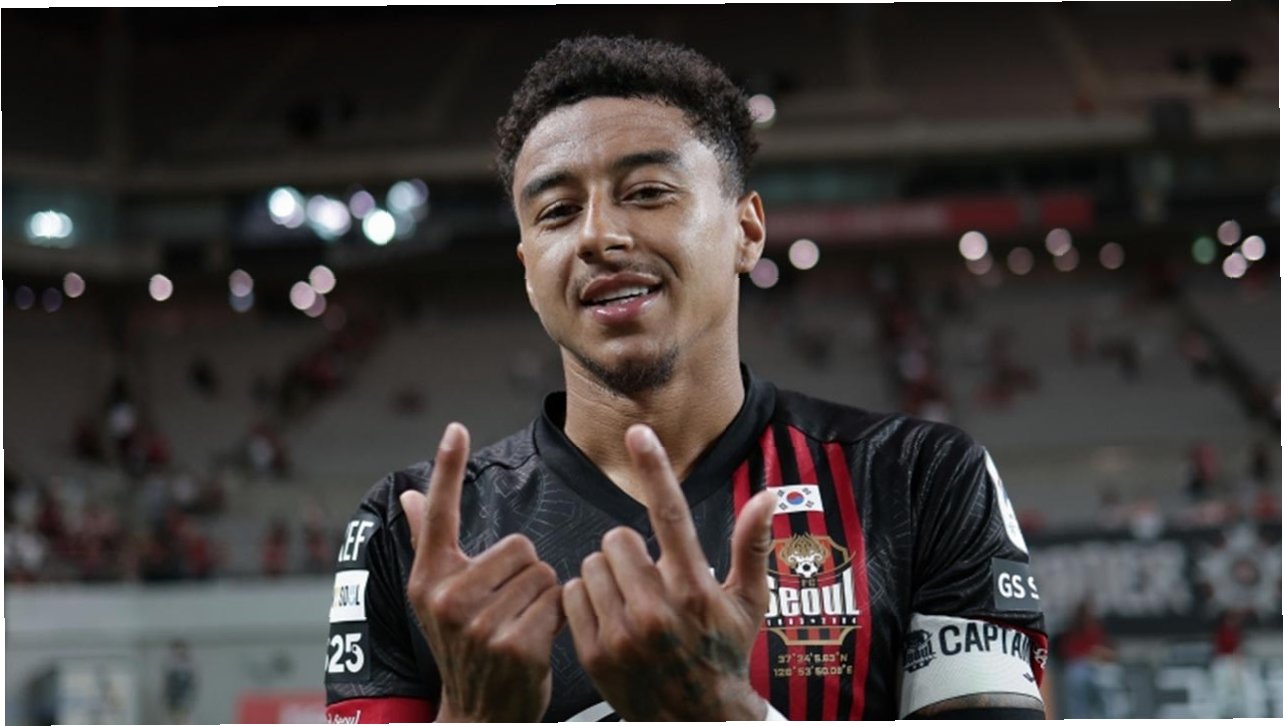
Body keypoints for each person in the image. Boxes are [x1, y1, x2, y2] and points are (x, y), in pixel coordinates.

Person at [324, 36, 1047, 722]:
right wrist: (475, 717)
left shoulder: (919, 480)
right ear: (528, 272)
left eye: (646, 192)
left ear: (747, 231)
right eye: (557, 212)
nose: (597, 235)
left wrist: (722, 712)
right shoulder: (409, 533)